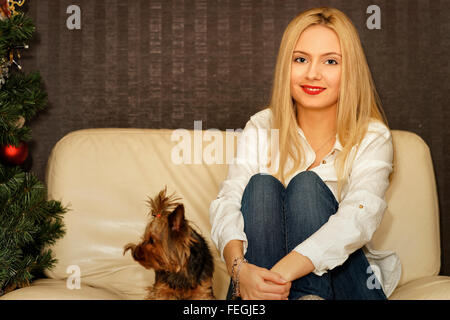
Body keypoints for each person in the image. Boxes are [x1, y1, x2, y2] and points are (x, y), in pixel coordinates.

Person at [209, 7, 402, 300]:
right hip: (262, 290)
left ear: (350, 70)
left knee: (306, 186)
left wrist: (281, 274)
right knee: (261, 186)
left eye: (330, 61)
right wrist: (240, 271)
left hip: (347, 286)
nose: (313, 73)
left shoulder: (372, 136)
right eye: (300, 59)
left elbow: (358, 218)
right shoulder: (262, 126)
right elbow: (228, 202)